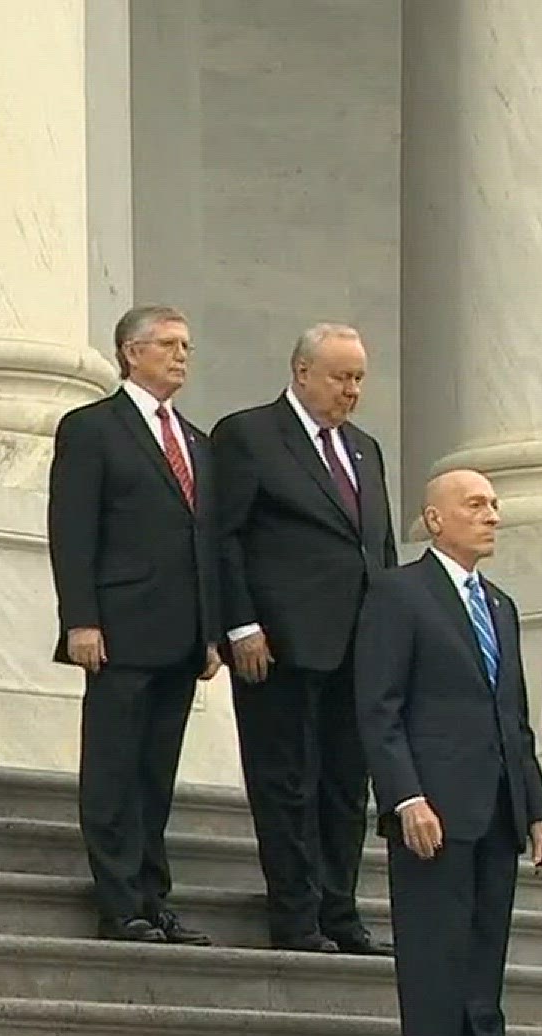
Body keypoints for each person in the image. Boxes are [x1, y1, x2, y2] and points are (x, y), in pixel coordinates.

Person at [354, 469, 542, 1036]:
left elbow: (513, 718)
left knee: (482, 965)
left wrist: (537, 808)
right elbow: (379, 705)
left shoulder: (500, 605)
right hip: (433, 814)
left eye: (495, 504)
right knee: (433, 967)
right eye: (476, 504)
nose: (492, 515)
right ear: (436, 518)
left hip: (496, 813)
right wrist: (405, 797)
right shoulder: (400, 593)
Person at [209, 322, 397, 955]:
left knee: (347, 784)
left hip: (358, 646)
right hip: (279, 644)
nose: (352, 390)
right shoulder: (249, 435)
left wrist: (393, 635)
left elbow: (381, 551)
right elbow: (224, 538)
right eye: (342, 377)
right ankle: (296, 915)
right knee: (287, 780)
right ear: (302, 373)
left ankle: (341, 912)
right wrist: (240, 625)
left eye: (359, 378)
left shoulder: (365, 450)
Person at [48, 304, 223, 945]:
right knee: (115, 768)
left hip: (181, 634)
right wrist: (80, 620)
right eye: (169, 344)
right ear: (130, 351)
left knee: (157, 773)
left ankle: (155, 896)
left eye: (188, 345)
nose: (182, 356)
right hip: (119, 629)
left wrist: (211, 631)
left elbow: (205, 540)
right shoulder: (93, 427)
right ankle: (119, 901)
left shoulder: (198, 442)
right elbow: (72, 530)